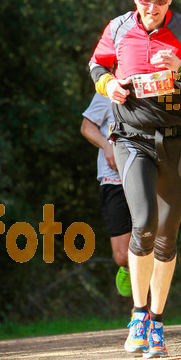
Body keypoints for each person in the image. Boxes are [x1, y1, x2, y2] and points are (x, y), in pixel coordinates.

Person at [89, 0, 181, 358]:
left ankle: (158, 322)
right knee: (143, 224)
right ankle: (138, 315)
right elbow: (97, 64)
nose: (152, 7)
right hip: (131, 140)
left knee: (167, 236)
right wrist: (111, 85)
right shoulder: (118, 28)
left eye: (161, 0)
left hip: (175, 142)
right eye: (145, 0)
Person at [80, 92, 132, 297]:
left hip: (146, 179)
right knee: (122, 256)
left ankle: (144, 311)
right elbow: (87, 127)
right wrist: (107, 147)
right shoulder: (106, 91)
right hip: (114, 180)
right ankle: (129, 269)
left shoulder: (148, 86)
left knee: (150, 247)